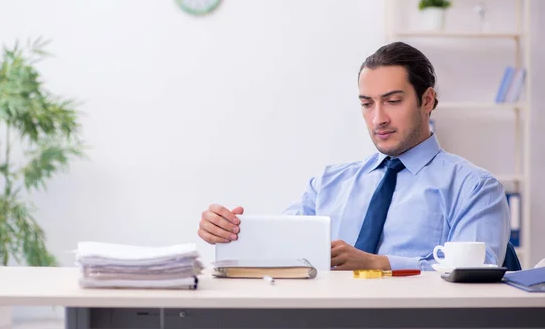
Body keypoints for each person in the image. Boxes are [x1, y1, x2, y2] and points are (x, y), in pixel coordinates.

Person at [197, 42, 510, 271]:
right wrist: (230, 232)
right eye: (367, 104)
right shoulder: (328, 183)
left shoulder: (476, 188)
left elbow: (475, 275)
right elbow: (280, 247)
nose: (378, 119)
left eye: (393, 101)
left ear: (427, 100)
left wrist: (379, 264)